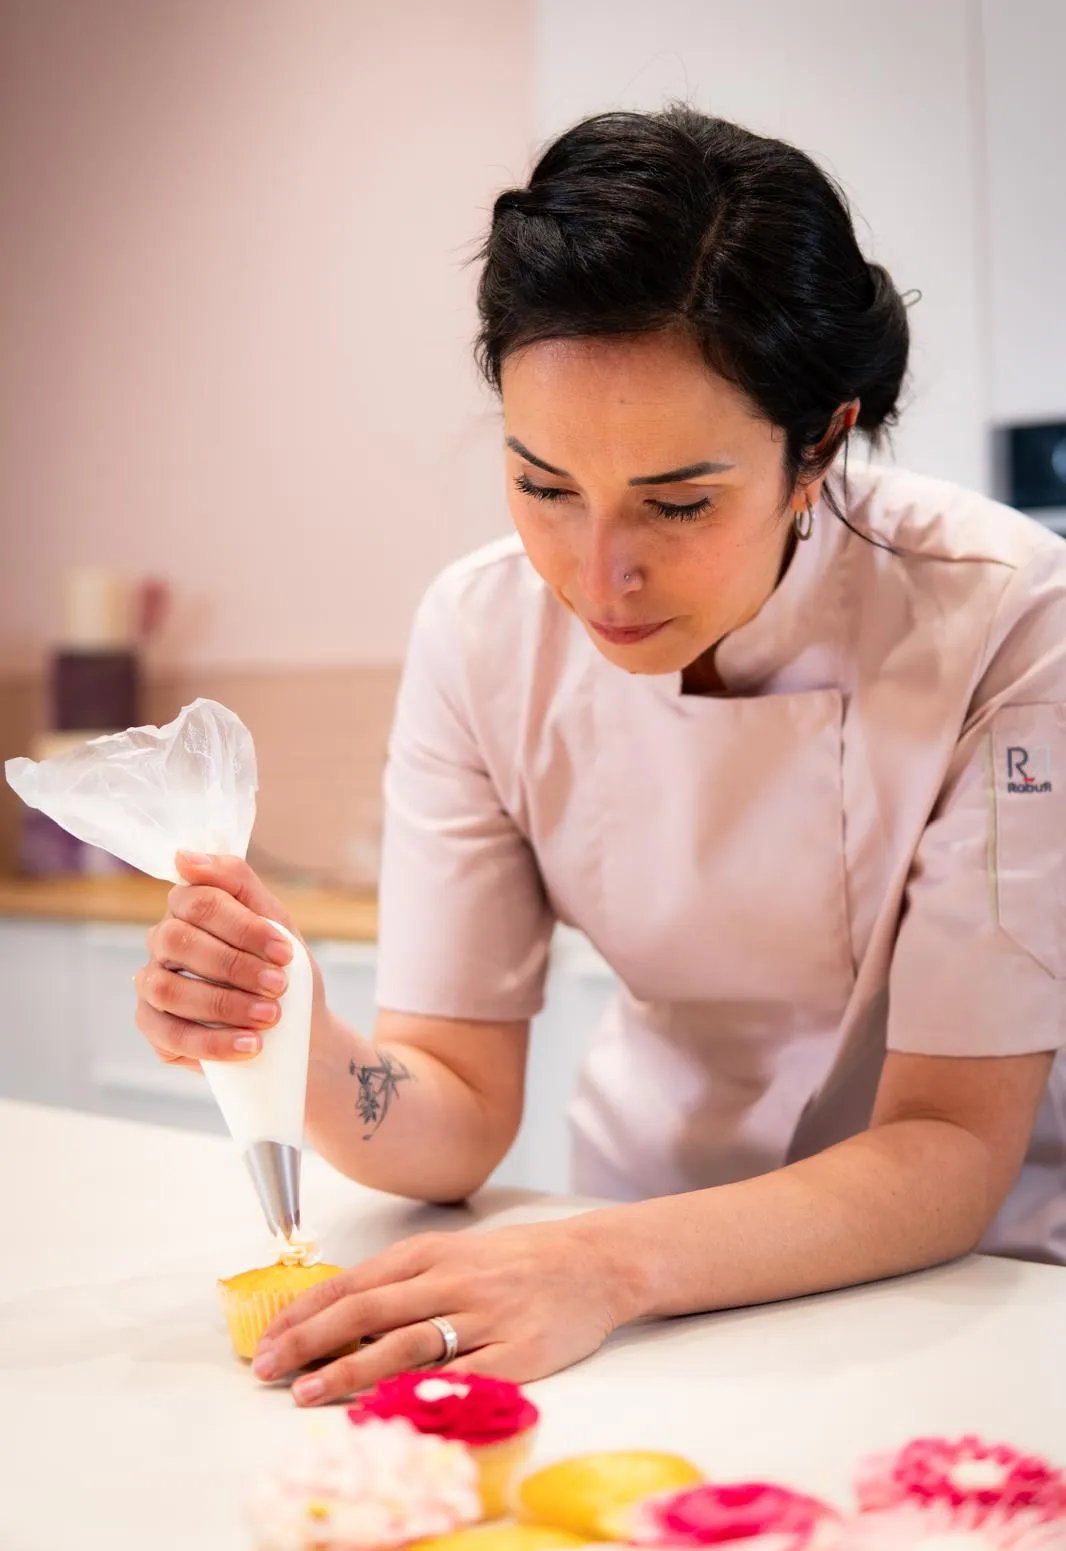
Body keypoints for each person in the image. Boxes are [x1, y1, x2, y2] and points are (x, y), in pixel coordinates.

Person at [133, 105, 1065, 1405]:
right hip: (616, 1283)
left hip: (961, 1290)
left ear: (819, 448)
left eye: (678, 504)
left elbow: (949, 1145)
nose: (596, 573)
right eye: (541, 484)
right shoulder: (478, 632)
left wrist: (602, 1267)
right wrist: (297, 1036)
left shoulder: (1003, 616)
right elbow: (450, 1109)